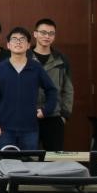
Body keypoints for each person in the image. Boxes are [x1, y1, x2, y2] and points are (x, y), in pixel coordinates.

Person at [0, 27, 58, 150]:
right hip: (5, 128)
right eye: (14, 39)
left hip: (30, 128)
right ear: (8, 45)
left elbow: (52, 90)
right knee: (7, 161)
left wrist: (46, 110)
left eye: (22, 39)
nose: (18, 42)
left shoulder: (36, 68)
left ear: (28, 45)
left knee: (29, 161)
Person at [31, 18, 74, 151]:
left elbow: (68, 89)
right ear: (35, 34)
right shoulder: (25, 57)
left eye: (51, 33)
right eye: (43, 32)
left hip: (54, 117)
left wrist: (64, 115)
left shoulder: (61, 59)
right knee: (29, 157)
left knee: (54, 157)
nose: (47, 36)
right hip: (29, 115)